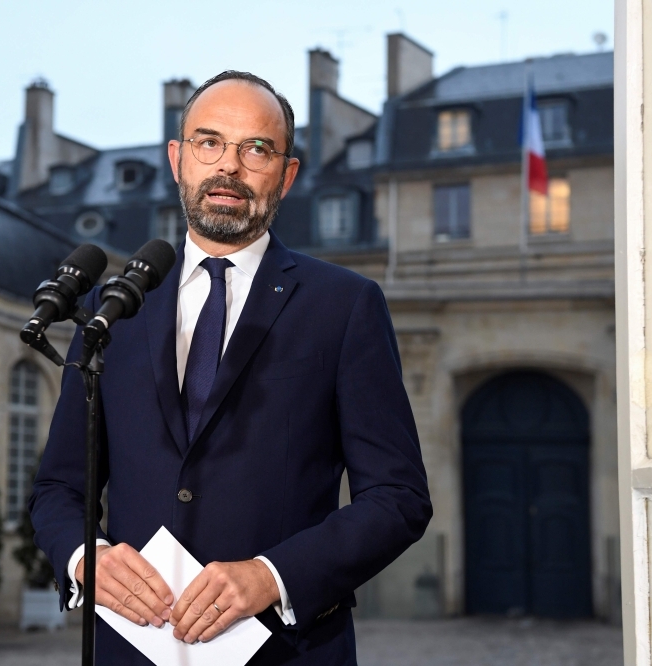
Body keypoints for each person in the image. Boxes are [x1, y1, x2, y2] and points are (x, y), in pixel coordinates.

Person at [29, 70, 431, 666]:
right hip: (134, 648)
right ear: (178, 158)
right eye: (209, 142)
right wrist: (85, 557)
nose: (230, 167)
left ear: (287, 175)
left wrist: (274, 576)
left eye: (257, 149)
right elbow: (59, 489)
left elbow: (399, 497)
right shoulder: (112, 308)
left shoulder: (344, 306)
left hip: (290, 651)